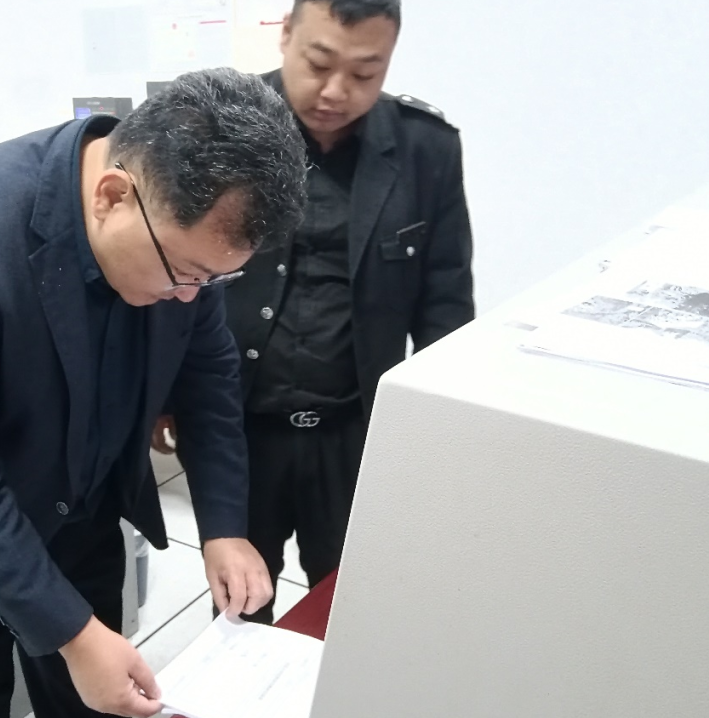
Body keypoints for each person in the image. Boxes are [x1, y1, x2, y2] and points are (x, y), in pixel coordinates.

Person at [0, 68, 308, 718]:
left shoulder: (182, 242)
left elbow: (209, 382)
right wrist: (73, 635)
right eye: (185, 274)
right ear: (113, 196)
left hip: (77, 517)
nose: (190, 297)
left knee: (95, 700)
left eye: (213, 281)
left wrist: (223, 528)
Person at [153, 0, 475, 624]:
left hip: (355, 429)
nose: (335, 92)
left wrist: (438, 435)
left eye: (364, 73)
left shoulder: (424, 149)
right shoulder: (220, 129)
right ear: (286, 36)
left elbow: (446, 305)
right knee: (241, 606)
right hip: (236, 425)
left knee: (353, 607)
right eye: (319, 63)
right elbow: (171, 270)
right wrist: (160, 393)